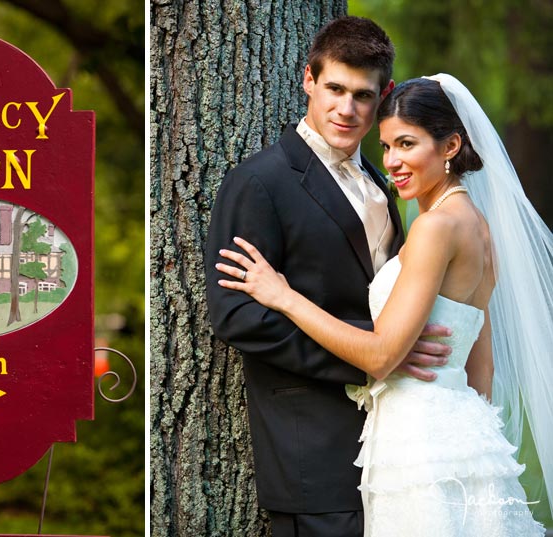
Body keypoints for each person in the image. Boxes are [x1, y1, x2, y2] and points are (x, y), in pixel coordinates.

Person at [216, 74, 551, 536]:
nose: (392, 162)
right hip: (467, 436)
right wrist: (467, 440)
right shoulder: (479, 227)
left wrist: (285, 297)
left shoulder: (435, 229)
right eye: (387, 146)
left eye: (407, 144)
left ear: (450, 146)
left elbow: (379, 356)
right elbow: (482, 365)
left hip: (416, 441)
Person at [204, 16, 451, 537]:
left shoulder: (385, 187)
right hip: (310, 452)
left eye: (363, 95)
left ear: (383, 96)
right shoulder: (258, 182)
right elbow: (238, 318)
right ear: (309, 80)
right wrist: (374, 358)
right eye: (334, 88)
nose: (347, 108)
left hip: (394, 445)